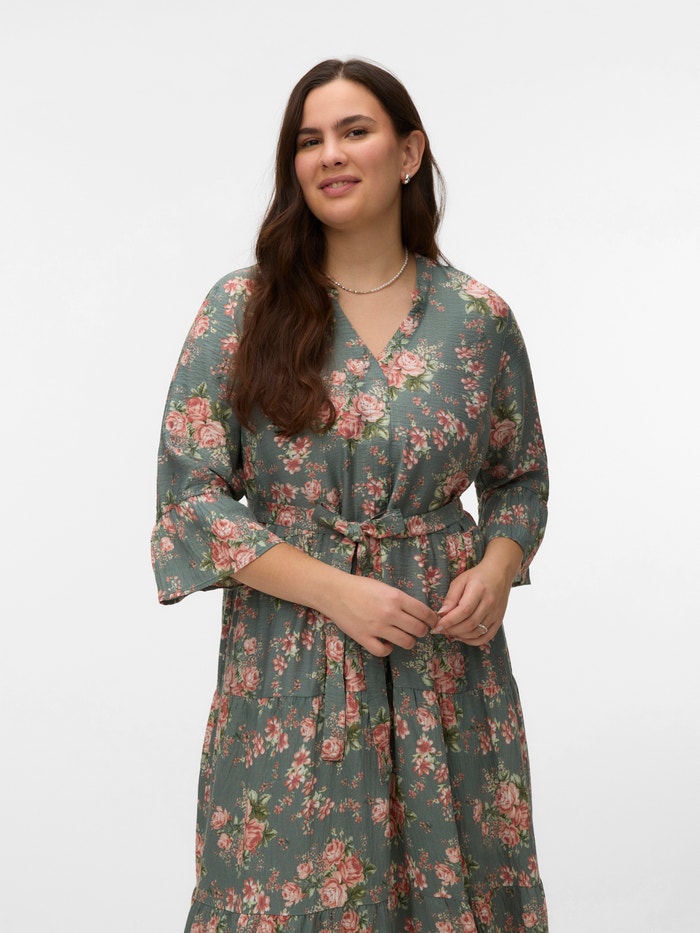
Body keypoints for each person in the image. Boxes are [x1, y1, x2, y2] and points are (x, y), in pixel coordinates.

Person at [151, 57, 549, 933]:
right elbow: (191, 498)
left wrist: (496, 567)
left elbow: (520, 479)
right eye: (309, 140)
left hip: (447, 669)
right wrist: (338, 591)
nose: (329, 154)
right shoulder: (243, 309)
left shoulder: (478, 318)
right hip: (292, 671)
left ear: (408, 153)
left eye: (354, 131)